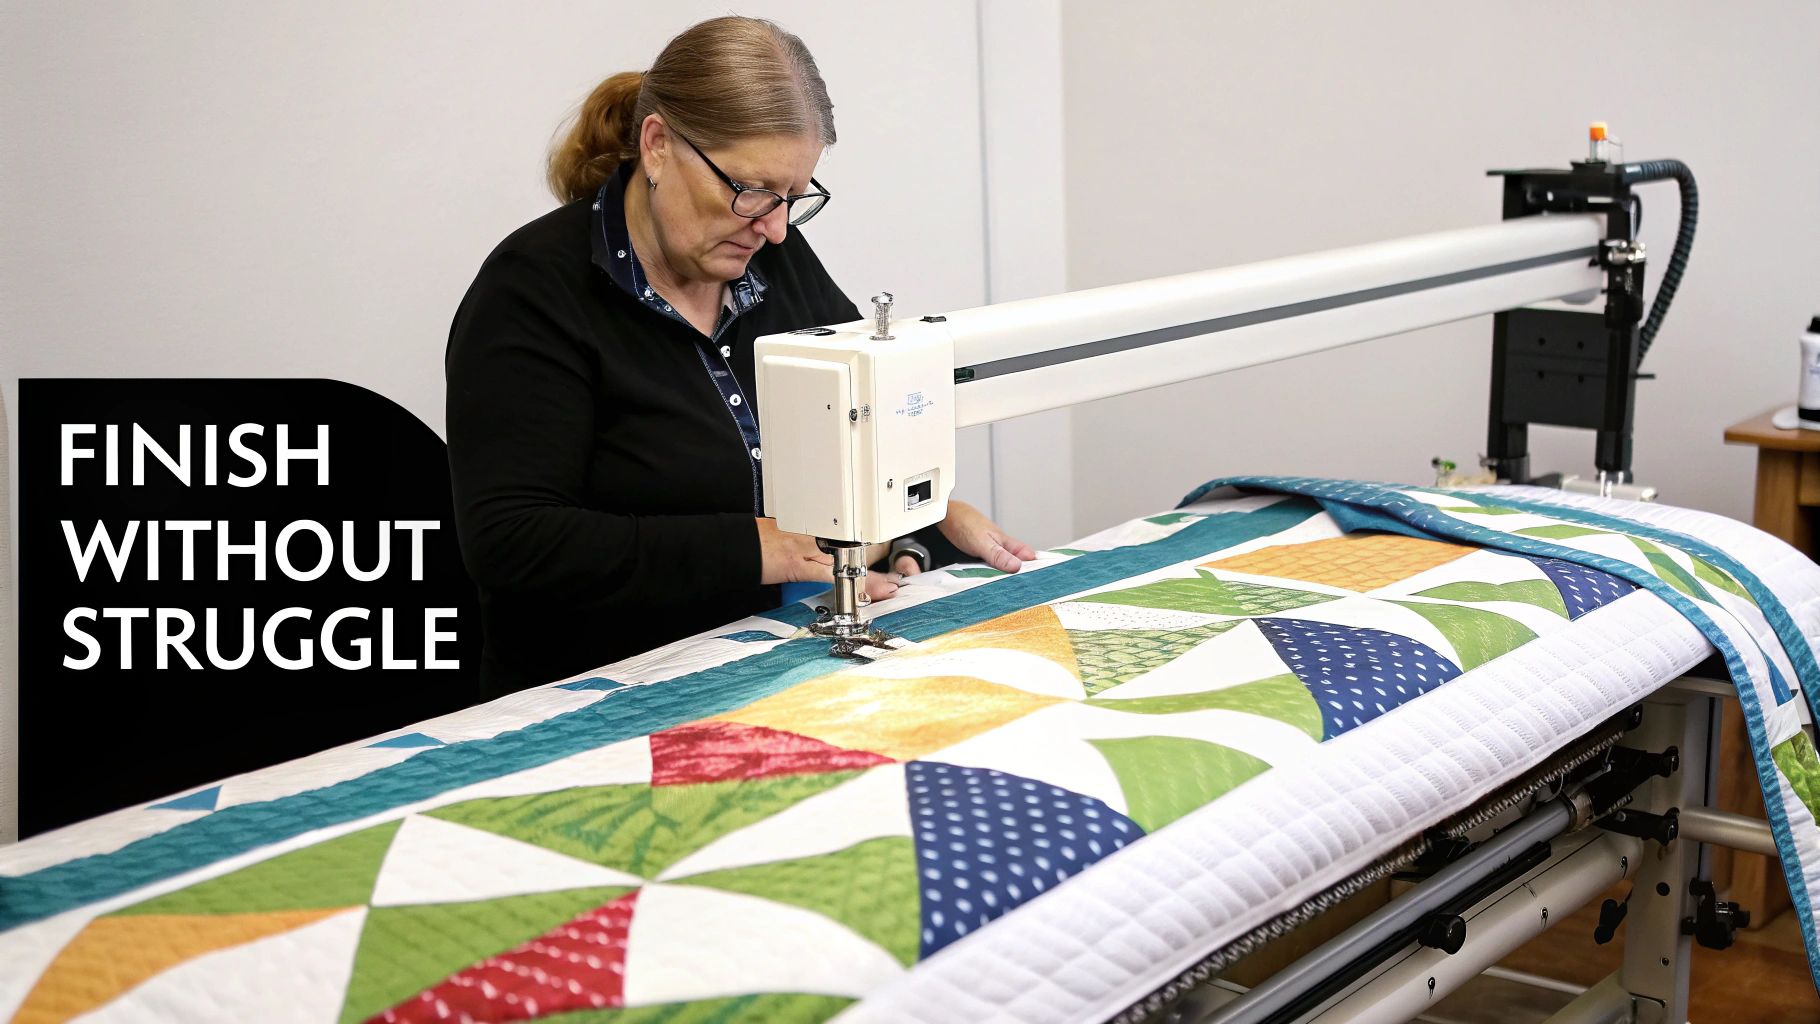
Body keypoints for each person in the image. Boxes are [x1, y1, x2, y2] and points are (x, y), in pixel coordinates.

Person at [446, 16, 1036, 697]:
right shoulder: (532, 291)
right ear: (660, 145)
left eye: (793, 197)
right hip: (598, 691)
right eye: (752, 190)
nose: (776, 226)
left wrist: (919, 515)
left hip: (767, 659)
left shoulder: (768, 254)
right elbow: (513, 541)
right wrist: (767, 548)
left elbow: (856, 415)